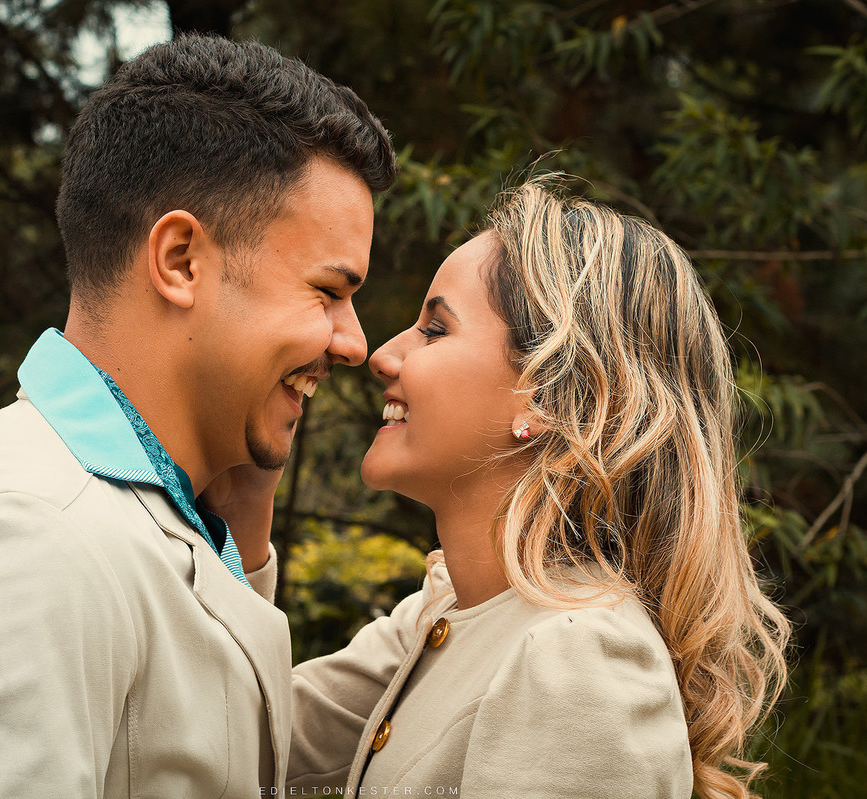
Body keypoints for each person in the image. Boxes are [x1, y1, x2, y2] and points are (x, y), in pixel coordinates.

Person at [0, 33, 395, 798]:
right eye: (328, 290)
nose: (354, 342)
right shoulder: (26, 540)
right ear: (179, 260)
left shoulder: (161, 512)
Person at [285, 178, 791, 799]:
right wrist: (249, 482)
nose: (383, 355)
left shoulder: (581, 659)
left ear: (550, 398)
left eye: (435, 330)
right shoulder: (447, 611)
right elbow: (247, 735)